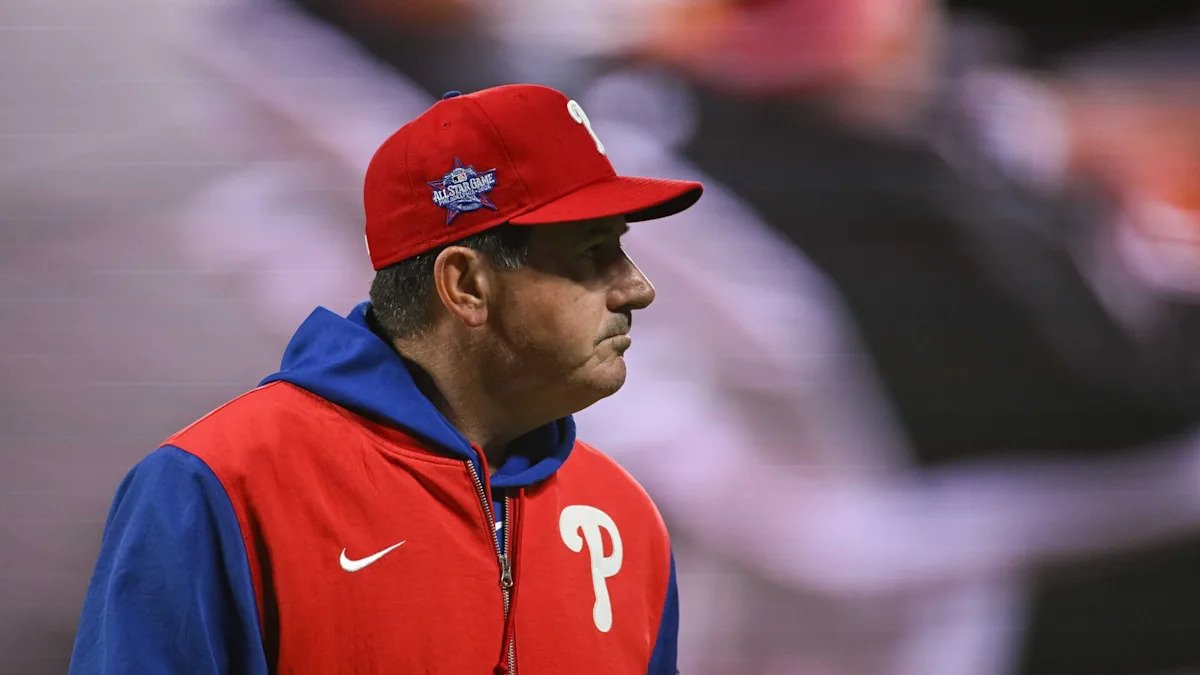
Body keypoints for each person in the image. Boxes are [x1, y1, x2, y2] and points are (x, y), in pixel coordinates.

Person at [67, 83, 702, 675]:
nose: (637, 288)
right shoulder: (219, 484)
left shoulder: (623, 516)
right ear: (466, 285)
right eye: (593, 252)